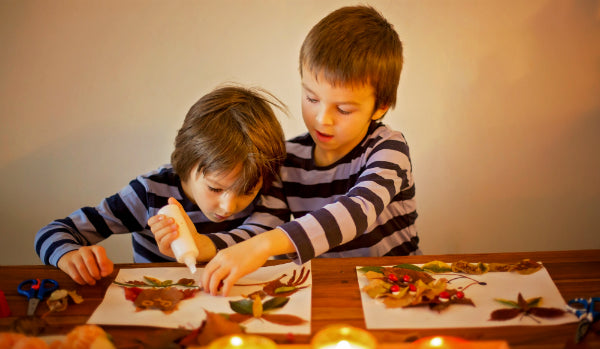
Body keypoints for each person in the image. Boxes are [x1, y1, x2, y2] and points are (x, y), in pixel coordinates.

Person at [200, 5, 421, 296]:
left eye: (343, 109)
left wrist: (263, 246)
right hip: (329, 288)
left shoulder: (388, 148)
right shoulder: (289, 158)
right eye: (311, 98)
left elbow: (357, 211)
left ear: (379, 107)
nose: (322, 119)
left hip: (397, 288)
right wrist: (204, 246)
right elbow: (261, 227)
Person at [35, 85, 287, 285]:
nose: (229, 206)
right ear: (186, 165)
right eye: (215, 188)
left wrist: (203, 246)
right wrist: (69, 256)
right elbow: (52, 232)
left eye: (246, 192)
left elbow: (259, 237)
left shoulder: (265, 184)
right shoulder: (149, 193)